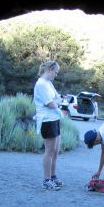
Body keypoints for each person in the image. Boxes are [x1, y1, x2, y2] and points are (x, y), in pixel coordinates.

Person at [33, 60, 64, 191]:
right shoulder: (41, 84)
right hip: (47, 120)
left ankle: (53, 176)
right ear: (50, 69)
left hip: (55, 118)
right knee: (49, 151)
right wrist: (56, 101)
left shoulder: (49, 83)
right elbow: (51, 104)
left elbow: (58, 98)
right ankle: (47, 180)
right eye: (55, 72)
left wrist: (56, 101)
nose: (56, 75)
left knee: (56, 151)